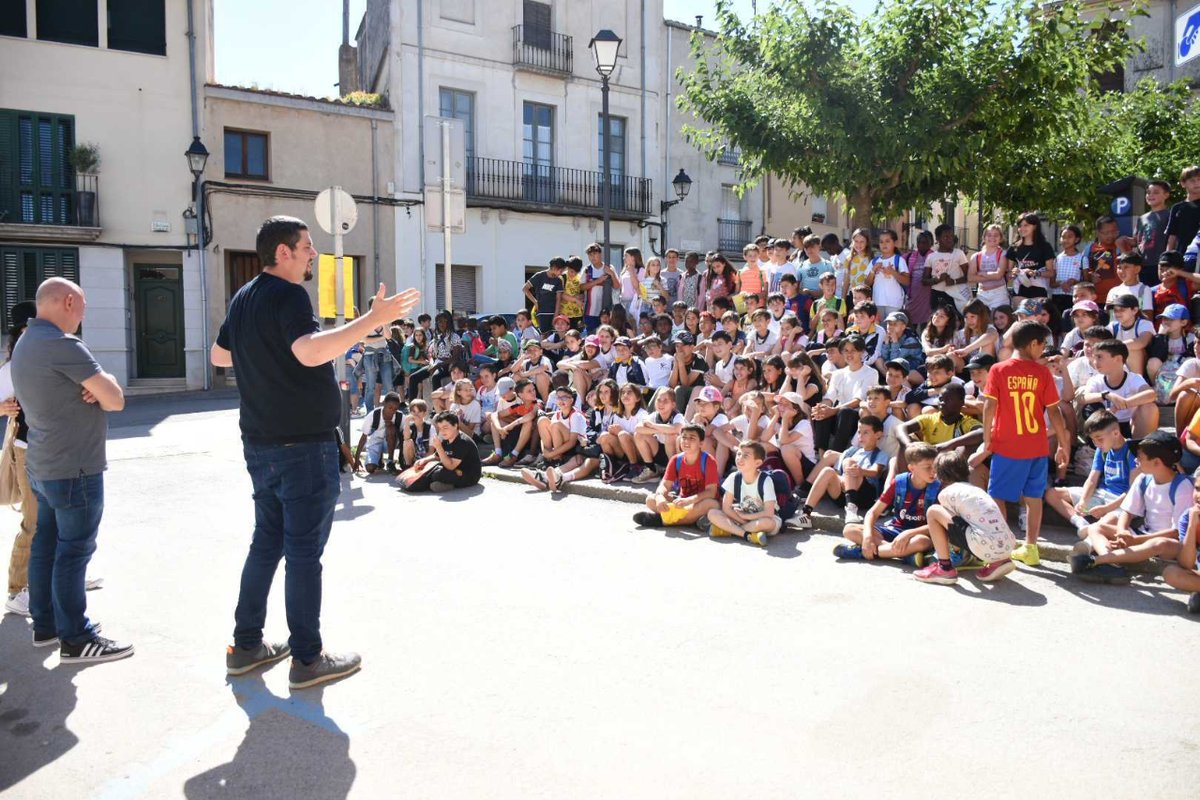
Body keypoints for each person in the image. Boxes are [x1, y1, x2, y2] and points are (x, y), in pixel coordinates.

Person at [211, 216, 419, 687]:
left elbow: (220, 356)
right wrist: (371, 320)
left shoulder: (244, 297)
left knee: (266, 543)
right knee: (303, 552)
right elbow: (307, 352)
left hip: (260, 442)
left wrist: (264, 358)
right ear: (282, 252)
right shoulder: (288, 295)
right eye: (306, 247)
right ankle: (307, 658)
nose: (312, 255)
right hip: (301, 446)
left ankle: (246, 646)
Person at [10, 278, 127, 663]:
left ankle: (45, 625)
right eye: (83, 308)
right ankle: (76, 638)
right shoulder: (62, 344)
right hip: (74, 466)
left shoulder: (26, 343)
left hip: (43, 463)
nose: (82, 317)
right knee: (73, 553)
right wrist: (102, 383)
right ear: (69, 301)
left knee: (46, 545)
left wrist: (92, 386)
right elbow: (116, 399)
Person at [970, 320, 1070, 568]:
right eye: (1043, 344)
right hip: (1036, 445)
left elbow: (989, 406)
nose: (1044, 349)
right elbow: (1055, 411)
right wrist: (1062, 443)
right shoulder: (1042, 372)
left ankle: (1001, 549)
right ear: (1033, 343)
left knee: (997, 497)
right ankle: (1030, 548)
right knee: (1033, 498)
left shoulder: (999, 370)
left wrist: (986, 441)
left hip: (1008, 445)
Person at [1071, 431, 1193, 584]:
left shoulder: (1183, 487)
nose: (1136, 460)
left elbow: (1176, 533)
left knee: (1158, 544)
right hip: (1142, 534)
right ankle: (1113, 566)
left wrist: (1136, 540)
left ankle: (1099, 560)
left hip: (1170, 544)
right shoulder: (1143, 479)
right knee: (1095, 528)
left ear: (1157, 462)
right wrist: (1122, 531)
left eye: (1140, 457)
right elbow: (1127, 512)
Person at [913, 451, 1017, 585]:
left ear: (939, 474)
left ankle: (944, 567)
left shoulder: (946, 493)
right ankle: (999, 560)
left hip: (983, 544)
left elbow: (949, 526)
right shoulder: (977, 490)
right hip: (1008, 545)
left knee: (934, 512)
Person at [834, 442, 939, 564]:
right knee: (849, 530)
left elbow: (936, 524)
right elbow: (873, 512)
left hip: (917, 534)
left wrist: (908, 534)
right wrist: (868, 537)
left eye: (935, 466)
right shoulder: (900, 482)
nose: (933, 471)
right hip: (894, 529)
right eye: (927, 467)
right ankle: (902, 554)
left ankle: (865, 552)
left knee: (923, 542)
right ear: (911, 468)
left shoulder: (938, 487)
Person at [2, 302, 38, 617]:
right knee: (34, 519)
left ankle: (64, 578)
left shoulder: (47, 357)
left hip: (55, 448)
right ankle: (16, 591)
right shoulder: (12, 366)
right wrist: (3, 409)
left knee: (62, 518)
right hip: (27, 450)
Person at [794, 415, 889, 529]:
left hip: (864, 495)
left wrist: (861, 471)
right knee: (827, 471)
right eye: (859, 432)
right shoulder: (853, 451)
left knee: (849, 462)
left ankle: (851, 510)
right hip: (843, 494)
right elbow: (837, 472)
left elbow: (876, 472)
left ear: (878, 435)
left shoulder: (880, 454)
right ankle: (805, 514)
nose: (860, 436)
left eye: (866, 433)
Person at [632, 424, 720, 529]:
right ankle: (689, 520)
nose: (686, 441)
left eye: (692, 438)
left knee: (711, 505)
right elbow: (665, 484)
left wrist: (689, 500)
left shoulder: (708, 461)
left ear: (701, 443)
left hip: (698, 502)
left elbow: (711, 492)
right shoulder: (675, 460)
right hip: (682, 501)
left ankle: (662, 520)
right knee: (651, 499)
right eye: (684, 437)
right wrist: (660, 496)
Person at [705, 440, 780, 547]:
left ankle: (728, 530)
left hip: (763, 518)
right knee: (712, 513)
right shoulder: (733, 477)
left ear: (757, 463)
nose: (740, 458)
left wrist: (746, 518)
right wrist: (742, 519)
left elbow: (769, 513)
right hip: (742, 518)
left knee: (767, 523)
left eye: (746, 456)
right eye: (739, 454)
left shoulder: (765, 480)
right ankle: (748, 535)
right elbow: (726, 508)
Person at [1080, 339, 1158, 439]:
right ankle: (1102, 449)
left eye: (1099, 357)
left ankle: (1138, 449)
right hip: (1107, 427)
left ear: (1118, 359)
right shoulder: (1096, 380)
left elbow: (1151, 394)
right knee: (1090, 406)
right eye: (1094, 358)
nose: (1095, 362)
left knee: (1150, 408)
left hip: (1130, 426)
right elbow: (1084, 397)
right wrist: (1107, 395)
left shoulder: (1134, 378)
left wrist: (1124, 403)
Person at [402, 411, 483, 493]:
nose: (442, 431)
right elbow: (436, 456)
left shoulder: (462, 441)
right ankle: (438, 484)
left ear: (455, 426)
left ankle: (448, 485)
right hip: (453, 470)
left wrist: (439, 447)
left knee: (438, 474)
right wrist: (424, 460)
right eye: (440, 428)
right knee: (428, 470)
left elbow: (450, 466)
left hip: (467, 475)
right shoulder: (447, 438)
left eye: (445, 428)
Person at [352, 391, 401, 474]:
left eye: (395, 409)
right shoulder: (373, 415)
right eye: (390, 407)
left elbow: (404, 437)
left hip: (390, 444)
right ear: (383, 404)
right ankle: (378, 460)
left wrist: (403, 461)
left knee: (391, 428)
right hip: (375, 442)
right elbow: (364, 437)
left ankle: (390, 462)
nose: (392, 411)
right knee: (370, 468)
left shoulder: (400, 416)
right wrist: (357, 459)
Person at [1137, 179, 1172, 278]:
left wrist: (1168, 262)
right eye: (1148, 193)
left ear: (1166, 195)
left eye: (1156, 192)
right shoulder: (1142, 218)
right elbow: (1139, 240)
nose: (1150, 195)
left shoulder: (1170, 215)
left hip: (1161, 264)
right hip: (1143, 265)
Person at [1164, 165, 1200, 255]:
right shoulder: (1176, 208)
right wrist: (1167, 258)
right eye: (1192, 180)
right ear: (1183, 183)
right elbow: (1172, 236)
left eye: (1199, 179)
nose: (1197, 183)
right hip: (1182, 256)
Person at [524, 257, 565, 332]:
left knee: (554, 335)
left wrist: (556, 315)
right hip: (542, 312)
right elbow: (525, 289)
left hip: (553, 312)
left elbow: (558, 299)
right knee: (544, 334)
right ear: (554, 268)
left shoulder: (558, 280)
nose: (561, 273)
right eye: (561, 271)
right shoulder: (539, 276)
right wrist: (535, 302)